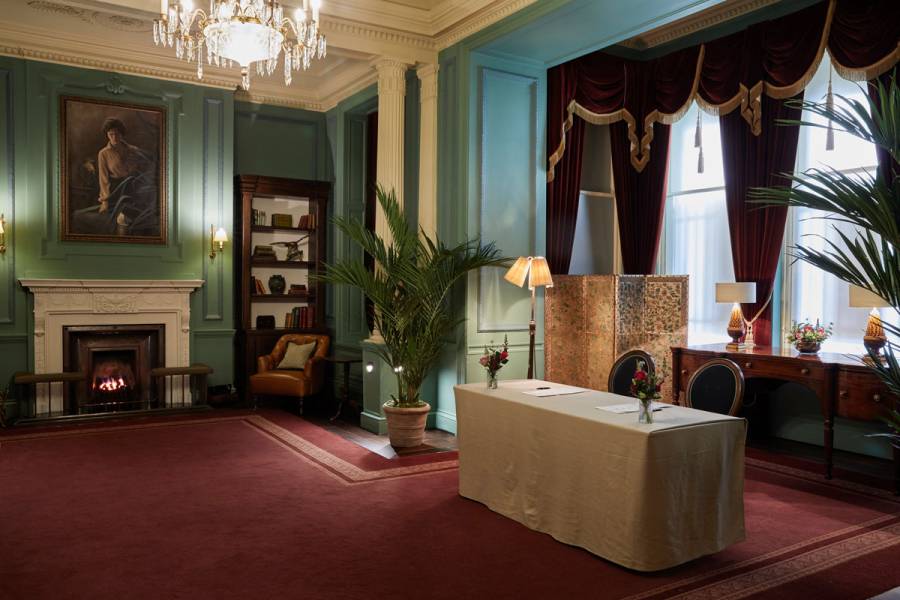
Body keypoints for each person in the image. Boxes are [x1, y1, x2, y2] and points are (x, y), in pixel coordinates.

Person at [96, 117, 150, 214]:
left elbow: (144, 169)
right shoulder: (103, 153)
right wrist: (105, 201)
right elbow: (103, 179)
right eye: (111, 134)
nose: (114, 137)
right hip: (117, 190)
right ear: (107, 135)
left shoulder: (133, 150)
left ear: (121, 134)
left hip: (134, 187)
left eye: (117, 134)